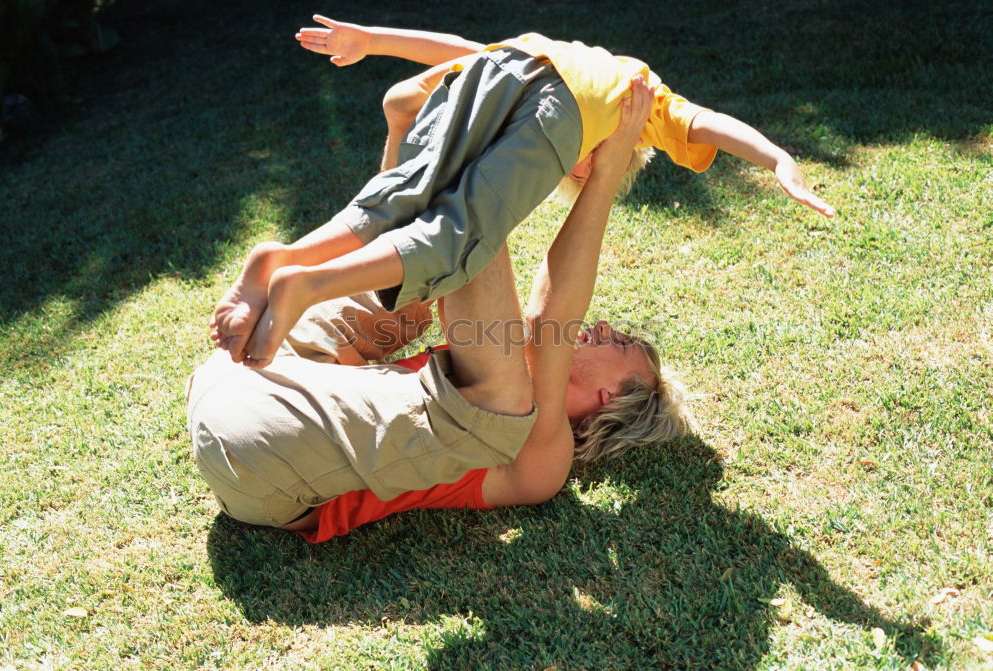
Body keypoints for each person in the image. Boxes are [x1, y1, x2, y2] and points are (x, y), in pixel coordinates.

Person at [190, 80, 690, 535]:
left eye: (620, 343)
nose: (603, 327)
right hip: (250, 369)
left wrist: (606, 173)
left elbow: (548, 321)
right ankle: (418, 150)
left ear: (611, 398)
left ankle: (473, 151)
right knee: (419, 295)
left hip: (264, 461)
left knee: (503, 395)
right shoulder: (494, 365)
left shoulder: (543, 465)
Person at [209, 18, 835, 369]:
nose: (578, 176)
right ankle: (307, 285)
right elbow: (709, 127)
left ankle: (281, 258)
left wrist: (371, 40)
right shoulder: (639, 103)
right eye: (580, 175)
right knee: (461, 236)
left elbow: (463, 52)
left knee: (403, 195)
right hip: (550, 104)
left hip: (500, 70)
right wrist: (777, 156)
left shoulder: (573, 55)